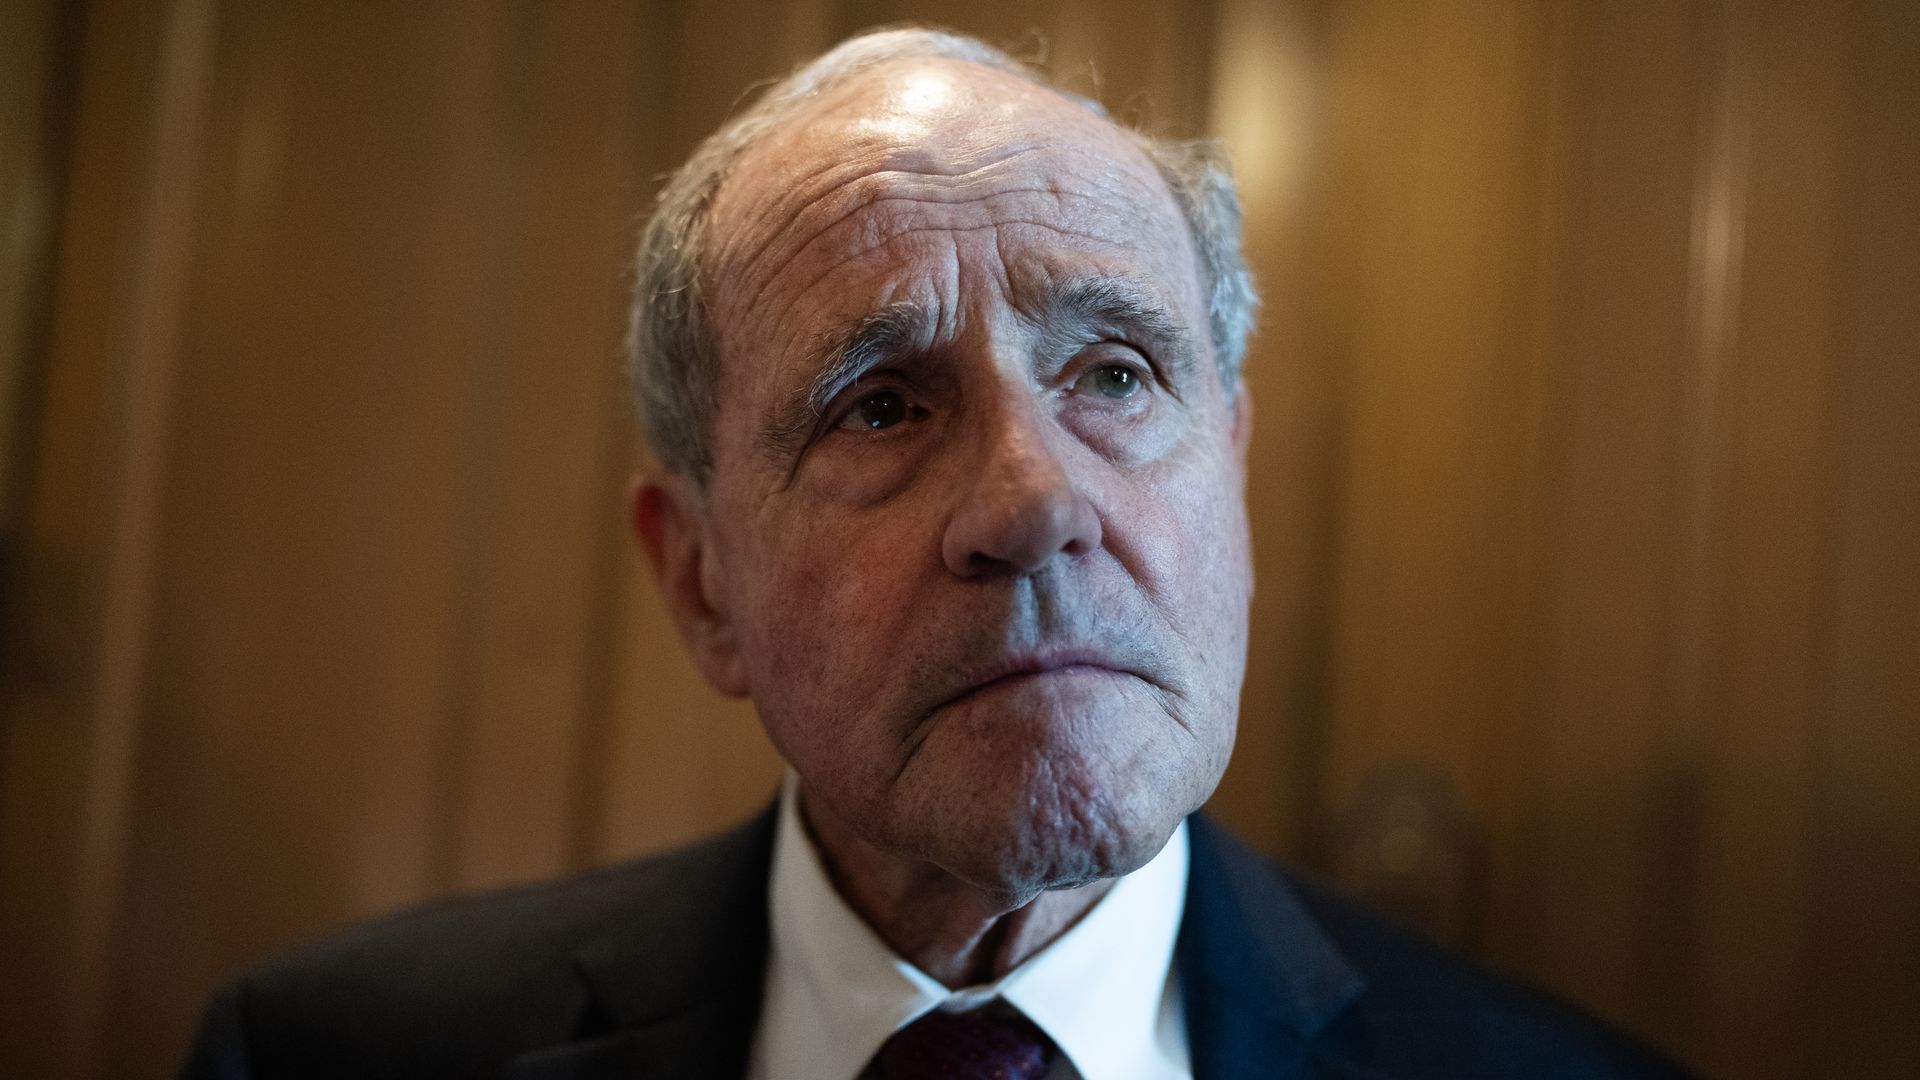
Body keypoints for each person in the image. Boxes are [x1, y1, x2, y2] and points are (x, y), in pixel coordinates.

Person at [181, 26, 1694, 1080]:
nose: (1036, 503)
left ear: (1227, 466)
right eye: (882, 404)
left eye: (1114, 375)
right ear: (701, 579)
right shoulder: (325, 1055)